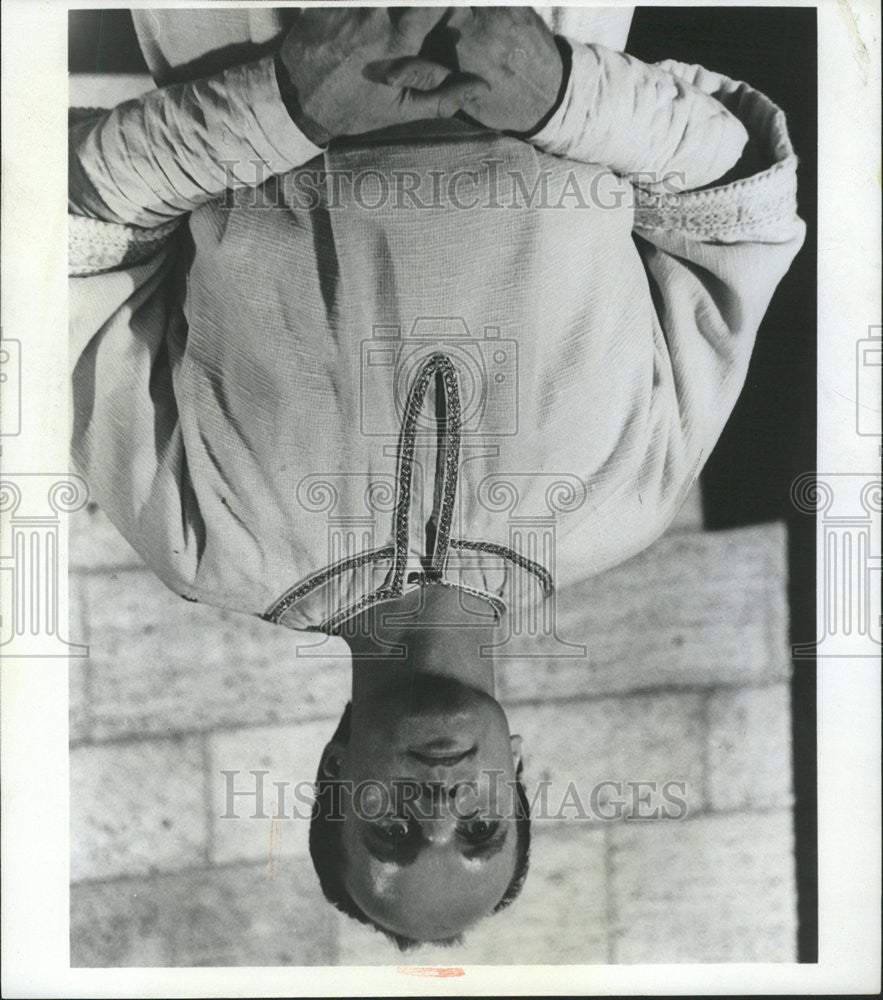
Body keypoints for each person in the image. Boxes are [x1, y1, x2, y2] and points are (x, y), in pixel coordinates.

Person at [69, 6, 805, 946]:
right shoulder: (628, 501)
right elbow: (737, 197)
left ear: (335, 777)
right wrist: (562, 94)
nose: (440, 806)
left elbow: (64, 231)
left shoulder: (203, 540)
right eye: (481, 828)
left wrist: (279, 107)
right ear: (516, 779)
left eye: (389, 829)